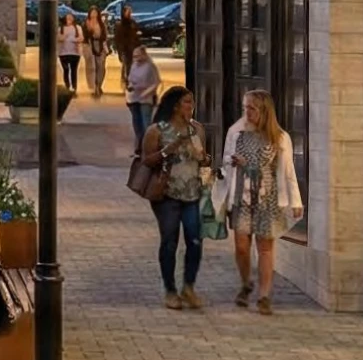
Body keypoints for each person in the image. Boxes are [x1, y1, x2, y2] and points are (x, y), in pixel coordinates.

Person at [217, 89, 304, 314]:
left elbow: (288, 170)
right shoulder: (236, 132)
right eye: (245, 107)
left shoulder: (279, 137)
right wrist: (234, 161)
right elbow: (225, 159)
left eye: (252, 108)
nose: (248, 112)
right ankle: (246, 282)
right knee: (242, 247)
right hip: (242, 196)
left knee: (265, 247)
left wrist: (296, 201)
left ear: (264, 111)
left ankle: (264, 296)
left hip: (268, 198)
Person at [141, 85, 208, 310]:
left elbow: (202, 158)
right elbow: (146, 160)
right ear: (176, 105)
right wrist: (166, 150)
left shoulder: (197, 129)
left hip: (192, 192)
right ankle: (170, 290)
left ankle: (188, 286)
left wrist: (205, 159)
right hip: (166, 193)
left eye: (192, 102)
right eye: (188, 102)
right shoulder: (157, 130)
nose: (192, 107)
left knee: (195, 239)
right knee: (169, 241)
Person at [125, 45, 162, 156]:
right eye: (134, 56)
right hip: (134, 97)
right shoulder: (134, 65)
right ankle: (138, 148)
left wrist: (147, 92)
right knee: (137, 124)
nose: (135, 57)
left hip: (146, 98)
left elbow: (156, 82)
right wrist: (130, 87)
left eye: (138, 55)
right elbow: (130, 79)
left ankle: (149, 148)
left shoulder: (150, 66)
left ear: (144, 54)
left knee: (146, 124)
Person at [82, 6, 110, 98]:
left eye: (95, 12)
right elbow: (85, 37)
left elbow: (105, 35)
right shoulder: (86, 23)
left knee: (101, 67)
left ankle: (99, 85)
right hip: (90, 45)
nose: (94, 14)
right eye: (92, 12)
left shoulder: (101, 24)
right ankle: (94, 87)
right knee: (92, 67)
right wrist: (90, 30)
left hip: (101, 46)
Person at [112, 4, 142, 89]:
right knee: (126, 66)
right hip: (124, 49)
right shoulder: (119, 24)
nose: (129, 13)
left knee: (133, 66)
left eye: (130, 11)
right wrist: (119, 50)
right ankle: (126, 81)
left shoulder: (133, 23)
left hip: (133, 48)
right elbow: (117, 39)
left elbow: (137, 35)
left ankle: (130, 82)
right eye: (127, 11)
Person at [56, 12, 82, 92]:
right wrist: (65, 36)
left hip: (75, 53)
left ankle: (74, 87)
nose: (69, 20)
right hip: (63, 53)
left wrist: (75, 40)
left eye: (71, 18)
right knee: (66, 70)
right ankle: (67, 86)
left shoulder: (77, 28)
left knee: (74, 70)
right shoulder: (61, 29)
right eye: (68, 18)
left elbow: (81, 38)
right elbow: (59, 38)